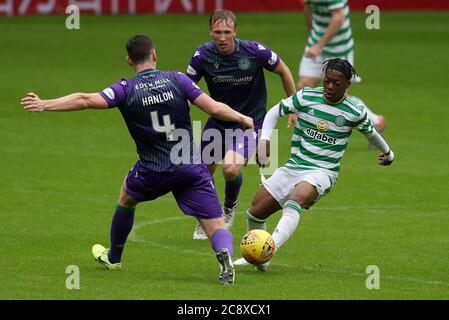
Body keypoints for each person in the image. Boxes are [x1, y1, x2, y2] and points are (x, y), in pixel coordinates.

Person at [20, 35, 255, 285]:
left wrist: (46, 104)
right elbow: (215, 109)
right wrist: (243, 119)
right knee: (216, 224)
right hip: (190, 167)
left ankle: (114, 257)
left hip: (152, 170)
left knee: (126, 198)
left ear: (129, 60)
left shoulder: (125, 88)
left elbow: (85, 100)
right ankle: (224, 256)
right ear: (154, 55)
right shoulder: (178, 79)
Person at [234, 58, 395, 271]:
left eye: (336, 83)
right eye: (327, 80)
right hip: (295, 165)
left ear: (347, 84)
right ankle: (259, 261)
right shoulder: (306, 97)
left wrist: (388, 153)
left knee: (296, 199)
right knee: (255, 212)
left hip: (323, 171)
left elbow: (371, 133)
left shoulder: (354, 111)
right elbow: (274, 111)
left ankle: (267, 249)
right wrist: (264, 141)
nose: (329, 86)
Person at [186, 9, 297, 240]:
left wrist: (293, 106)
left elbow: (284, 70)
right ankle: (208, 217)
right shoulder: (202, 56)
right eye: (217, 32)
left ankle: (229, 207)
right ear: (210, 32)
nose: (222, 37)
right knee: (202, 174)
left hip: (251, 124)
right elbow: (187, 90)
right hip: (218, 122)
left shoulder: (255, 52)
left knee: (230, 168)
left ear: (235, 32)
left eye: (227, 32)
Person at [297, 0, 385, 140]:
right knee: (303, 86)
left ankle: (375, 121)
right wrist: (312, 35)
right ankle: (308, 133)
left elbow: (338, 17)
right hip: (316, 42)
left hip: (339, 46)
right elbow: (307, 7)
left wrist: (319, 45)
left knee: (340, 96)